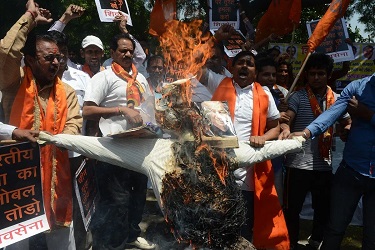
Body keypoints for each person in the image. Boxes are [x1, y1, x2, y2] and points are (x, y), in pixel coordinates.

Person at [0, 1, 82, 249]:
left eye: (58, 57)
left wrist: (56, 139)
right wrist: (28, 18)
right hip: (19, 182)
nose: (56, 62)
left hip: (58, 180)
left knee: (61, 240)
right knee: (17, 243)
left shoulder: (66, 91)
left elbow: (74, 124)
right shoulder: (14, 84)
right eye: (49, 58)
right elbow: (6, 53)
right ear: (31, 60)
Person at [208, 51, 288, 249]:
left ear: (255, 71)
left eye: (249, 64)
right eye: (240, 63)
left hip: (249, 170)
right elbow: (198, 69)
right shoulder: (219, 83)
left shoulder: (264, 93)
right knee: (216, 222)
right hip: (218, 167)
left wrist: (263, 137)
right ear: (232, 68)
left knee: (243, 224)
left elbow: (275, 127)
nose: (244, 66)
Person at [83, 33, 155, 250]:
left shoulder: (140, 79)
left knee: (138, 194)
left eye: (130, 50)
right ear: (112, 53)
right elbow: (87, 110)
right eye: (122, 50)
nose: (128, 54)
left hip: (140, 145)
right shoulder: (103, 77)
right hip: (113, 149)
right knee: (117, 200)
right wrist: (121, 110)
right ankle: (114, 244)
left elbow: (149, 107)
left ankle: (132, 234)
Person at [288, 72, 375, 250]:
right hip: (352, 170)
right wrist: (306, 133)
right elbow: (332, 113)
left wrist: (368, 115)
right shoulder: (357, 87)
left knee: (372, 235)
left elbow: (364, 115)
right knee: (334, 228)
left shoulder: (360, 104)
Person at [278, 53, 351, 250]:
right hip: (297, 163)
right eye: (312, 74)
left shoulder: (337, 99)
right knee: (292, 209)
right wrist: (285, 128)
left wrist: (346, 130)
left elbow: (347, 121)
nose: (316, 78)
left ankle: (316, 242)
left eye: (320, 74)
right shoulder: (297, 96)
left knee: (323, 209)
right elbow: (287, 118)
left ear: (328, 75)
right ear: (306, 75)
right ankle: (291, 243)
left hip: (324, 164)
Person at [47, 30, 92, 250]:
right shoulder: (31, 80)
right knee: (51, 207)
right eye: (52, 54)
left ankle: (81, 245)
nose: (58, 59)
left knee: (78, 205)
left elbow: (87, 116)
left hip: (75, 154)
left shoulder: (81, 78)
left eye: (62, 52)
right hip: (46, 157)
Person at [255, 56, 288, 204]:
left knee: (274, 197)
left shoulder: (279, 94)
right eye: (266, 75)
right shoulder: (249, 94)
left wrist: (284, 122)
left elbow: (282, 124)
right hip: (255, 148)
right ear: (256, 75)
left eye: (273, 75)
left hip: (273, 153)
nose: (271, 78)